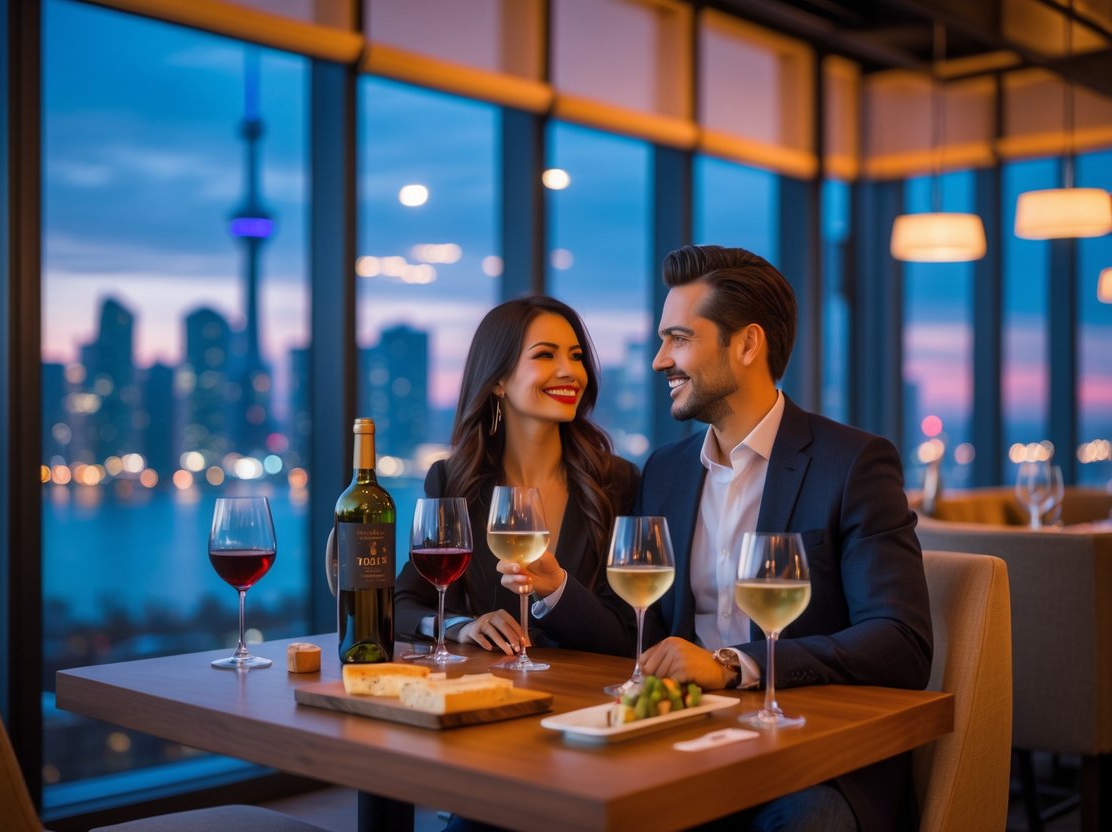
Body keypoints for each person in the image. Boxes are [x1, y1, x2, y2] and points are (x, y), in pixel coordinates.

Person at [502, 246, 933, 831]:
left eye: (678, 339)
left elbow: (901, 641)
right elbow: (641, 637)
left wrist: (733, 666)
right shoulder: (665, 471)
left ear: (747, 345)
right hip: (681, 743)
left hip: (812, 758)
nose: (659, 361)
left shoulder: (853, 462)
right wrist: (555, 588)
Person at [395, 295, 639, 655]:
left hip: (584, 702)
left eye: (575, 356)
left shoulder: (616, 482)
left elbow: (628, 635)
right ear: (498, 381)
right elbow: (401, 604)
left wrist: (556, 589)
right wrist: (460, 626)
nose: (571, 371)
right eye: (545, 355)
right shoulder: (454, 480)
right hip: (487, 697)